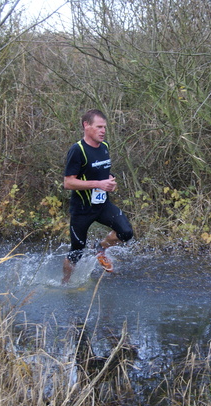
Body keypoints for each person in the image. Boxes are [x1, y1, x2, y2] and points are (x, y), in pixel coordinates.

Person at [62, 109, 133, 283]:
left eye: (105, 127)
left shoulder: (105, 147)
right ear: (86, 126)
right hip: (82, 210)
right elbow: (68, 183)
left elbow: (102, 172)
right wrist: (98, 184)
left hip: (102, 206)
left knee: (126, 232)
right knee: (76, 252)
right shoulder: (77, 150)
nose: (103, 131)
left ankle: (100, 247)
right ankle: (65, 284)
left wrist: (109, 180)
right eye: (99, 127)